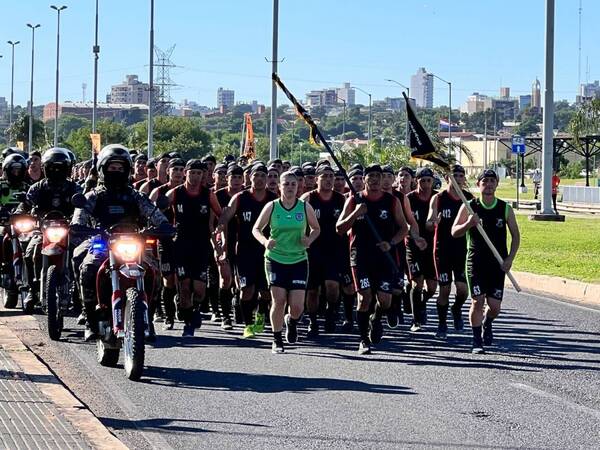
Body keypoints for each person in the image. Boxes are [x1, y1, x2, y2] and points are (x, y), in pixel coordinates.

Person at [71, 145, 170, 341]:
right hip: (102, 241)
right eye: (112, 168)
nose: (116, 172)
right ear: (102, 169)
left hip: (133, 242)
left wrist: (164, 224)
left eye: (120, 168)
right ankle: (90, 317)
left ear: (127, 170)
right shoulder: (94, 195)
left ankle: (147, 319)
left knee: (153, 272)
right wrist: (78, 225)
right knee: (86, 266)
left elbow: (153, 212)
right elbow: (79, 215)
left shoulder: (135, 195)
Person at [336, 164, 408, 354]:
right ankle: (363, 340)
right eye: (371, 176)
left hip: (384, 256)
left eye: (379, 176)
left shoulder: (392, 201)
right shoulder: (354, 200)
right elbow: (340, 228)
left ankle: (376, 319)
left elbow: (404, 228)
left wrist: (391, 243)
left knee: (384, 300)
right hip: (360, 256)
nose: (375, 179)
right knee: (364, 298)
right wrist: (356, 213)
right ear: (365, 178)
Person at [452, 169, 520, 354]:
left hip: (497, 264)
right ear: (478, 184)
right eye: (485, 181)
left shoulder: (504, 208)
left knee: (495, 307)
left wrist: (509, 259)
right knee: (477, 301)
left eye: (492, 181)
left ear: (496, 184)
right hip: (475, 263)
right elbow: (454, 231)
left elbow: (516, 236)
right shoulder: (469, 206)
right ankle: (476, 341)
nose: (488, 184)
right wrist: (468, 224)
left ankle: (488, 323)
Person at [253, 171, 320, 353]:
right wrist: (266, 242)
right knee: (279, 300)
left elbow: (316, 229)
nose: (290, 187)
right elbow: (256, 229)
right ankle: (277, 339)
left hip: (298, 259)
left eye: (293, 184)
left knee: (297, 306)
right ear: (279, 186)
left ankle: (292, 321)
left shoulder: (305, 207)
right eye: (286, 184)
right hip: (275, 258)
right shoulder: (272, 207)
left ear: (298, 187)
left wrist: (309, 239)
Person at [216, 164, 277, 338]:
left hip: (268, 251)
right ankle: (248, 324)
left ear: (267, 179)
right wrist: (220, 230)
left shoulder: (273, 199)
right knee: (246, 290)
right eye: (255, 175)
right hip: (245, 251)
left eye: (262, 176)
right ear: (249, 177)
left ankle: (261, 316)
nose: (259, 179)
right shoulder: (240, 197)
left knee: (266, 292)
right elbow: (225, 218)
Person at [17, 148, 81, 311]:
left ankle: (79, 296)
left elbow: (84, 206)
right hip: (42, 230)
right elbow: (25, 205)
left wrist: (83, 218)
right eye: (52, 167)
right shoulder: (37, 188)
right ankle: (32, 289)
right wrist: (19, 213)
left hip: (70, 230)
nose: (56, 171)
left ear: (67, 168)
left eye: (60, 167)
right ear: (46, 168)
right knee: (31, 251)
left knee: (80, 254)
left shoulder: (74, 188)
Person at [165, 159, 221, 337]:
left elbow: (221, 214)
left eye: (199, 173)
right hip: (180, 245)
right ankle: (188, 323)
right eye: (192, 173)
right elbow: (157, 209)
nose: (195, 177)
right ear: (185, 174)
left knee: (199, 289)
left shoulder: (208, 194)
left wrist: (221, 231)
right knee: (185, 285)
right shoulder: (175, 193)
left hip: (201, 246)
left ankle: (193, 308)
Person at [426, 165, 473, 339]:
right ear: (447, 178)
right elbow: (428, 223)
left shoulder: (469, 199)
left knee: (462, 290)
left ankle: (457, 308)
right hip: (442, 250)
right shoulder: (438, 198)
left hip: (462, 250)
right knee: (444, 289)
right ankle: (442, 324)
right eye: (455, 175)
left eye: (461, 176)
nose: (458, 178)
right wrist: (433, 222)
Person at [301, 164, 346, 336]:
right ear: (317, 178)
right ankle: (312, 320)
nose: (328, 179)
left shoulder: (341, 200)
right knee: (312, 291)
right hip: (312, 251)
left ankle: (331, 312)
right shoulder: (308, 199)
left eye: (331, 176)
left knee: (332, 286)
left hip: (335, 250)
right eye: (324, 176)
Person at [149, 158, 185, 330]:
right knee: (167, 280)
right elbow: (147, 214)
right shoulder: (158, 192)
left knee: (184, 280)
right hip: (164, 242)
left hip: (184, 242)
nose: (178, 172)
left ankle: (183, 305)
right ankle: (167, 315)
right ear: (167, 172)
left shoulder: (187, 191)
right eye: (175, 169)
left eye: (181, 169)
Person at [405, 167, 438, 332]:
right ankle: (415, 319)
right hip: (414, 246)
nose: (425, 184)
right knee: (416, 282)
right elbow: (405, 223)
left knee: (432, 287)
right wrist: (416, 238)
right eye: (422, 180)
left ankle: (421, 303)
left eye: (428, 180)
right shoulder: (408, 199)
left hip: (432, 247)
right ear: (415, 181)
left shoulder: (437, 198)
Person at [213, 164, 245, 330]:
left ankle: (238, 306)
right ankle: (225, 317)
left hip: (243, 243)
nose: (236, 180)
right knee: (226, 279)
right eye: (233, 177)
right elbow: (212, 224)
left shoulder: (246, 196)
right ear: (227, 178)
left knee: (241, 283)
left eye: (239, 177)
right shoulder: (218, 195)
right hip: (223, 241)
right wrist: (217, 246)